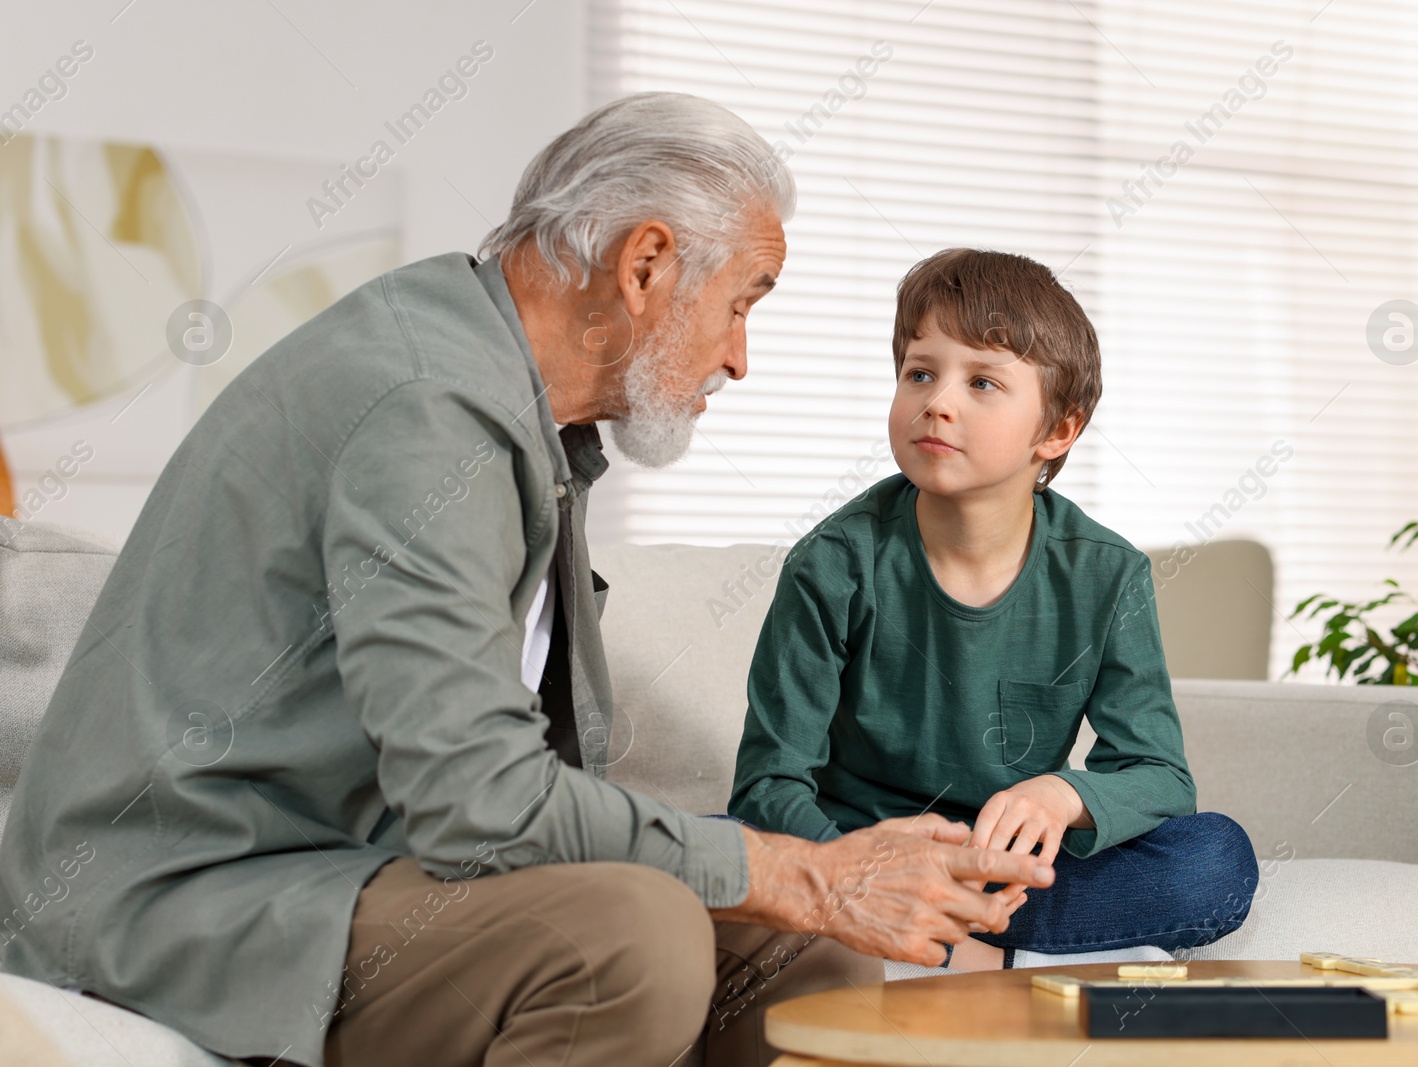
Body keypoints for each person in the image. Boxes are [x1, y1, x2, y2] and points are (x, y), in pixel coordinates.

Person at [0, 95, 1057, 1067]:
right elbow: (478, 798)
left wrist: (795, 896)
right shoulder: (424, 405)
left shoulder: (514, 406)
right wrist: (795, 868)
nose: (741, 356)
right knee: (630, 940)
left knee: (801, 953)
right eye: (740, 303)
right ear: (645, 264)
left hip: (343, 867)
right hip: (181, 893)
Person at [728, 248, 1260, 971]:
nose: (937, 401)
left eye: (982, 381)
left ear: (1057, 431)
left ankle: (946, 948)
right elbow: (768, 785)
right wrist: (856, 868)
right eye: (920, 372)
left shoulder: (1107, 573)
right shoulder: (832, 562)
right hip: (854, 853)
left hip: (1004, 866)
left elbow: (1159, 773)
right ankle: (972, 950)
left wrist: (1062, 794)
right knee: (694, 852)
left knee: (1215, 858)